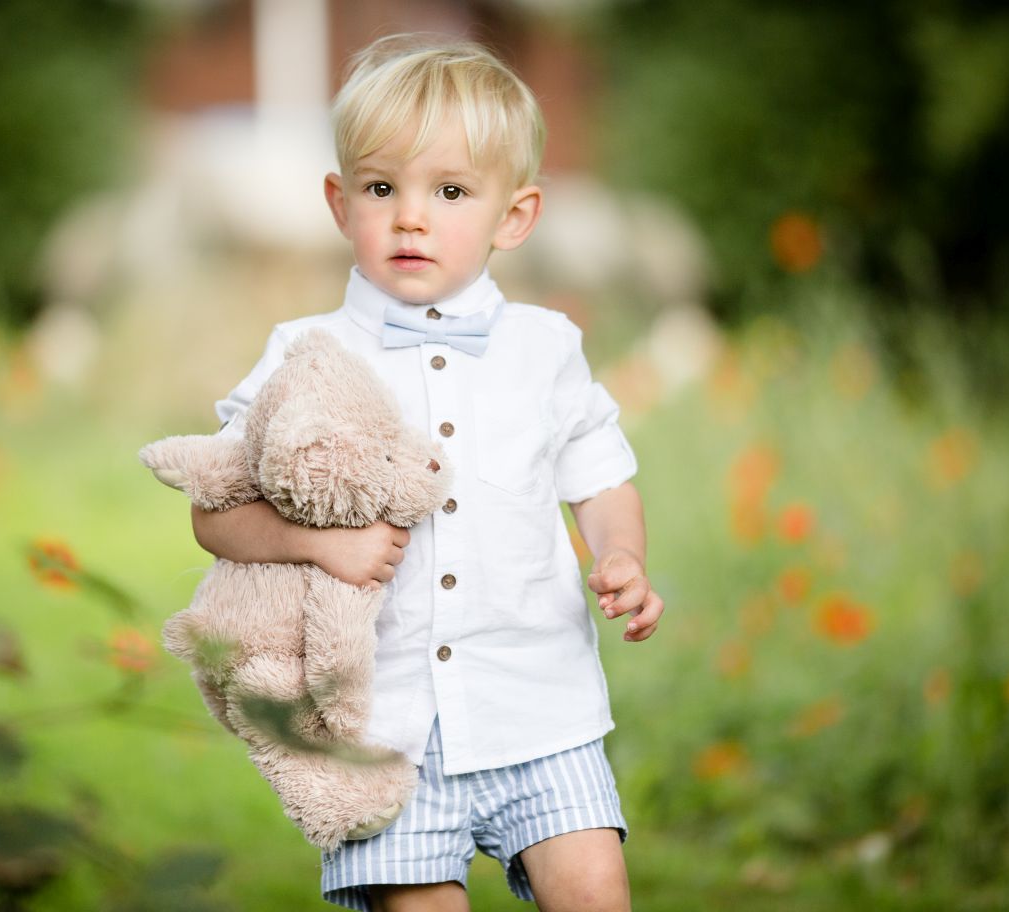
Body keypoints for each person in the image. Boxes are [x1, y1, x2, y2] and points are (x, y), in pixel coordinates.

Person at [188, 34, 663, 912]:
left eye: (449, 192)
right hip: (382, 731)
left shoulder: (546, 348)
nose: (411, 217)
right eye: (382, 189)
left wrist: (621, 554)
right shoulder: (304, 355)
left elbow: (600, 477)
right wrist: (316, 545)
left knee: (597, 893)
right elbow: (212, 512)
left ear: (514, 216)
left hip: (540, 709)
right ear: (340, 203)